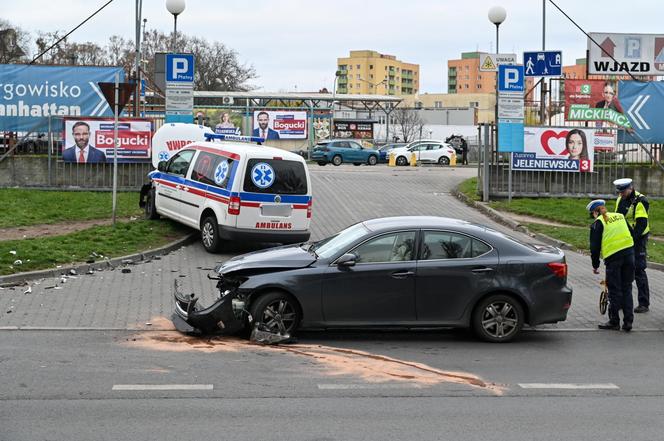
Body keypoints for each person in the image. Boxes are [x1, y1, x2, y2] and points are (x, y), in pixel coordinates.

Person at [587, 199, 635, 331]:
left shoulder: (598, 223)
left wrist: (595, 265)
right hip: (629, 255)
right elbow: (632, 233)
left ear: (595, 213)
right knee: (627, 289)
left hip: (614, 259)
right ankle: (628, 322)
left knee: (614, 291)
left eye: (592, 213)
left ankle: (614, 322)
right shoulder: (620, 216)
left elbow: (595, 248)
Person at [614, 178, 651, 313]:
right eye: (619, 192)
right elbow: (618, 217)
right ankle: (623, 302)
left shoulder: (641, 201)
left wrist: (632, 241)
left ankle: (644, 303)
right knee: (624, 269)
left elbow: (641, 225)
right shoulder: (620, 198)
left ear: (630, 188)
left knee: (639, 270)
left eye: (623, 191)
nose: (621, 194)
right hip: (625, 238)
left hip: (638, 239)